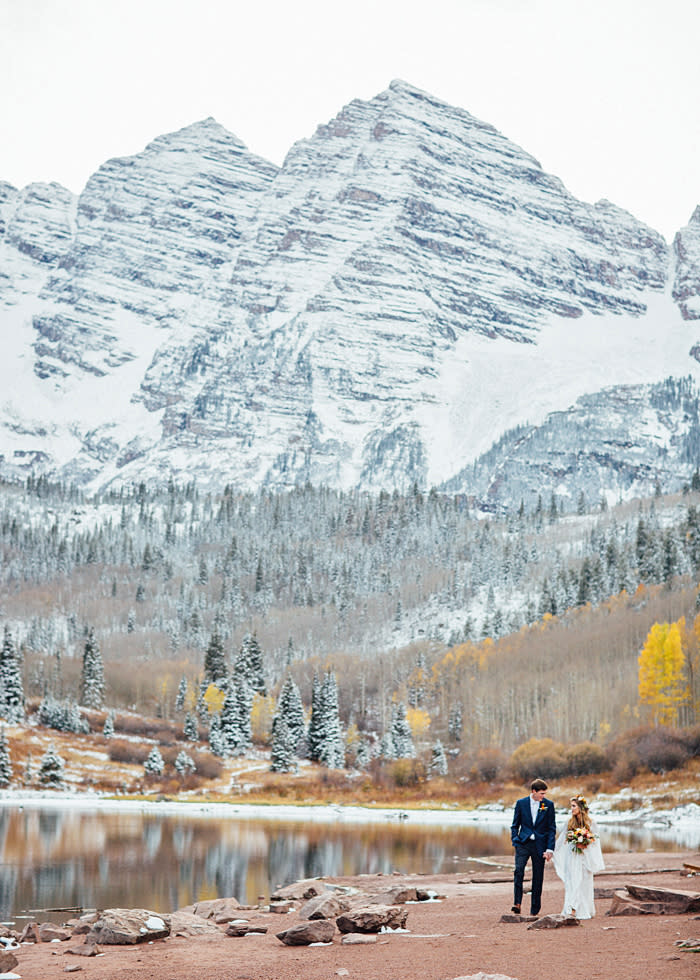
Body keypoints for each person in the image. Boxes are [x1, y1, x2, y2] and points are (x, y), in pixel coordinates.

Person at [552, 794, 605, 919]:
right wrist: (551, 851)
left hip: (585, 857)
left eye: (574, 806)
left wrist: (585, 844)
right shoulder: (569, 822)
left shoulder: (591, 823)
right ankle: (572, 909)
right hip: (572, 856)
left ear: (580, 807)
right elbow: (561, 839)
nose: (571, 809)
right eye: (571, 806)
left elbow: (596, 841)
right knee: (573, 882)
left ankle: (584, 908)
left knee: (584, 882)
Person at [510, 777, 556, 916]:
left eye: (545, 794)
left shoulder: (548, 805)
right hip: (523, 844)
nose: (544, 796)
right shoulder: (521, 803)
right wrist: (516, 841)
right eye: (541, 793)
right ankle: (517, 903)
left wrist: (549, 849)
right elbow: (514, 825)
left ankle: (534, 909)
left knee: (538, 876)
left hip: (540, 845)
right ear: (533, 791)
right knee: (518, 871)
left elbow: (551, 828)